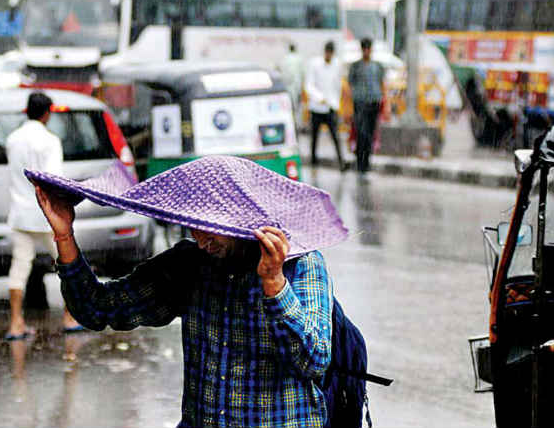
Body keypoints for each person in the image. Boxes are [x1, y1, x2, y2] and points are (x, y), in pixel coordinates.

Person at [28, 156, 344, 427]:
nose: (201, 240)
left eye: (210, 228)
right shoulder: (190, 264)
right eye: (193, 225)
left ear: (239, 218)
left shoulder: (301, 265)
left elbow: (313, 361)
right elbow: (96, 308)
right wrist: (65, 236)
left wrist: (274, 284)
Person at [5, 91, 82, 340]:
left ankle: (16, 323)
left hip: (20, 213)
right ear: (47, 113)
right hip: (47, 216)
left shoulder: (12, 140)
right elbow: (53, 180)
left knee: (19, 269)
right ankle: (70, 318)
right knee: (67, 266)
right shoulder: (50, 141)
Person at [306, 40, 346, 171]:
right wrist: (319, 98)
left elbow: (337, 86)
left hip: (330, 107)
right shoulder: (315, 64)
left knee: (335, 136)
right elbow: (309, 85)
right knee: (314, 137)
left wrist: (335, 103)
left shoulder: (337, 65)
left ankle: (341, 162)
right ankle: (313, 162)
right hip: (316, 107)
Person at [348, 38, 385, 174]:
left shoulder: (378, 66)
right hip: (360, 103)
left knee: (370, 133)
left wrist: (383, 103)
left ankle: (367, 162)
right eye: (364, 49)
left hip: (374, 102)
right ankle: (359, 162)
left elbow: (381, 84)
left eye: (368, 48)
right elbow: (350, 84)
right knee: (361, 132)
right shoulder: (356, 66)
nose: (366, 51)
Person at [277, 43, 304, 124]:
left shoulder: (284, 59)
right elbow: (303, 73)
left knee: (288, 107)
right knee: (296, 108)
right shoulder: (299, 58)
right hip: (296, 87)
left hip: (287, 87)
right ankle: (296, 125)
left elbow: (280, 72)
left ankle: (290, 124)